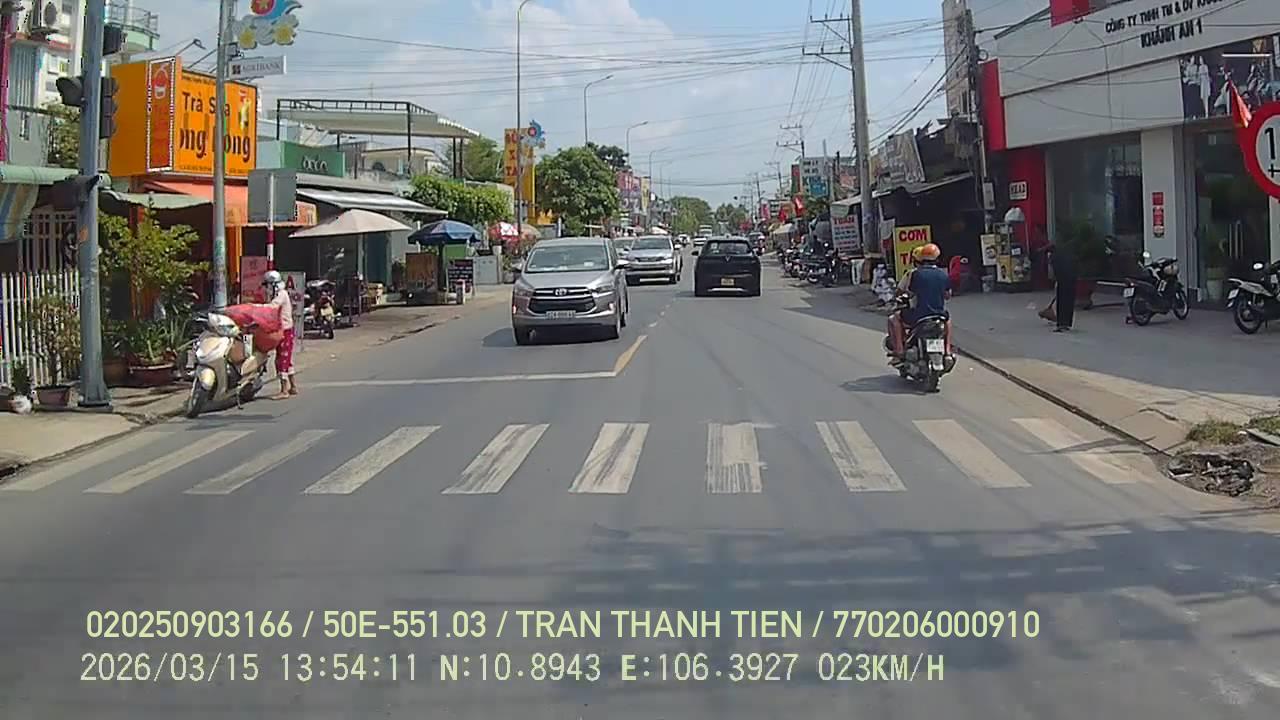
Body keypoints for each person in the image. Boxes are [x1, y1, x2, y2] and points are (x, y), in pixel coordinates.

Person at [887, 243, 950, 360]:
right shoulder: (943, 274)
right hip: (939, 314)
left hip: (919, 315)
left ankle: (899, 349)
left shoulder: (915, 274)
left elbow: (910, 293)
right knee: (948, 321)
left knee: (894, 318)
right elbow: (947, 295)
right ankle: (947, 351)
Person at [261, 270, 298, 399]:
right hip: (282, 330)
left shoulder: (281, 295)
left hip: (285, 330)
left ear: (273, 285)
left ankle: (284, 390)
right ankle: (293, 386)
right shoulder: (277, 294)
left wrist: (255, 308)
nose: (266, 288)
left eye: (267, 285)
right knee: (287, 359)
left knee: (281, 360)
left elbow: (272, 308)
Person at [1049, 241, 1078, 332]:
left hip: (1063, 280)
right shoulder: (1068, 254)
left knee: (1062, 302)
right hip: (1071, 279)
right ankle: (1067, 323)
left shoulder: (1053, 257)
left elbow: (1052, 274)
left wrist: (1055, 281)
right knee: (1069, 301)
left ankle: (1061, 324)